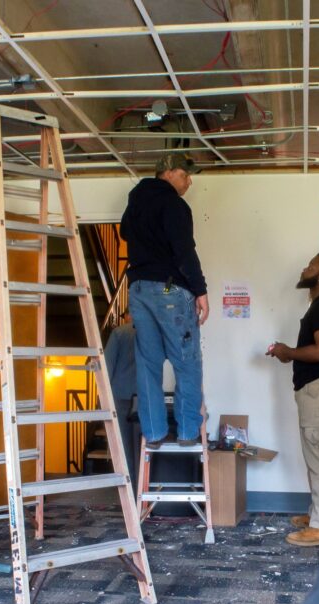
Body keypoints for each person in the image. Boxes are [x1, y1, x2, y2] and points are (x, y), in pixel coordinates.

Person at [121, 152, 209, 448]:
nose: (189, 180)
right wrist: (200, 290)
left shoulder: (134, 203)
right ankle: (187, 433)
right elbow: (184, 251)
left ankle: (155, 433)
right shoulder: (174, 204)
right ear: (168, 172)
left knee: (148, 364)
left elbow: (124, 231)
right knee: (187, 362)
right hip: (170, 290)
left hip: (139, 290)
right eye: (185, 174)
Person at [267, 250, 319, 548]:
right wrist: (288, 354)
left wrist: (289, 352)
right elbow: (317, 351)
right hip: (316, 388)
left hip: (318, 389)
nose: (305, 268)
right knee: (318, 453)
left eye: (312, 265)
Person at [104, 312, 139, 493]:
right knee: (141, 447)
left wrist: (103, 399)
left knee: (124, 448)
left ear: (129, 314)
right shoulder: (152, 333)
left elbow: (107, 366)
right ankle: (142, 491)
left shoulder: (119, 333)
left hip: (121, 396)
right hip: (144, 397)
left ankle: (129, 493)